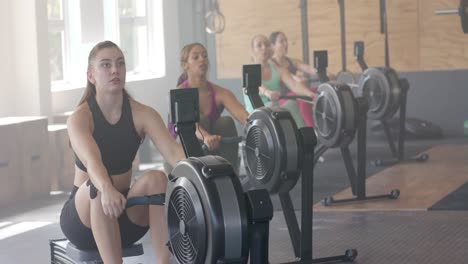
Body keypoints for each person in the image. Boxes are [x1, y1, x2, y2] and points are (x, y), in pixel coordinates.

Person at [60, 40, 185, 264]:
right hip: (83, 221)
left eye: (120, 64)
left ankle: (165, 262)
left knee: (157, 178)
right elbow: (92, 162)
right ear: (91, 76)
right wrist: (106, 188)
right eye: (106, 65)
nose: (115, 70)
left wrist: (205, 179)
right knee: (96, 187)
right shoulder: (80, 118)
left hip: (124, 216)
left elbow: (175, 154)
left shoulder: (142, 113)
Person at [168, 42, 249, 172]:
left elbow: (244, 117)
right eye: (196, 57)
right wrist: (206, 137)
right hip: (179, 152)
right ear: (185, 65)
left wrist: (259, 126)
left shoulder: (221, 93)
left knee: (225, 122)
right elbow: (191, 127)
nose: (202, 59)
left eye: (205, 56)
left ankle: (230, 173)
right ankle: (198, 176)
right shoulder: (180, 93)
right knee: (201, 119)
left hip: (208, 147)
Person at [243, 34, 315, 128]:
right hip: (256, 112)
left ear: (270, 49)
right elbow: (258, 86)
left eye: (266, 45)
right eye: (259, 45)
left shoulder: (277, 69)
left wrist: (312, 95)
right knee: (273, 107)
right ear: (252, 50)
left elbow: (294, 84)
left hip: (273, 108)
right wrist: (267, 92)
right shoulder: (249, 70)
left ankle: (303, 137)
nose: (264, 47)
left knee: (292, 104)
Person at [270, 31, 322, 127]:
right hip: (283, 98)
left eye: (286, 40)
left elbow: (308, 68)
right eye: (281, 41)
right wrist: (298, 79)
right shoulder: (272, 63)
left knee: (320, 91)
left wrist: (323, 73)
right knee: (303, 99)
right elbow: (291, 79)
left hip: (296, 94)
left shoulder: (292, 61)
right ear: (273, 46)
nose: (285, 44)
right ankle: (311, 128)